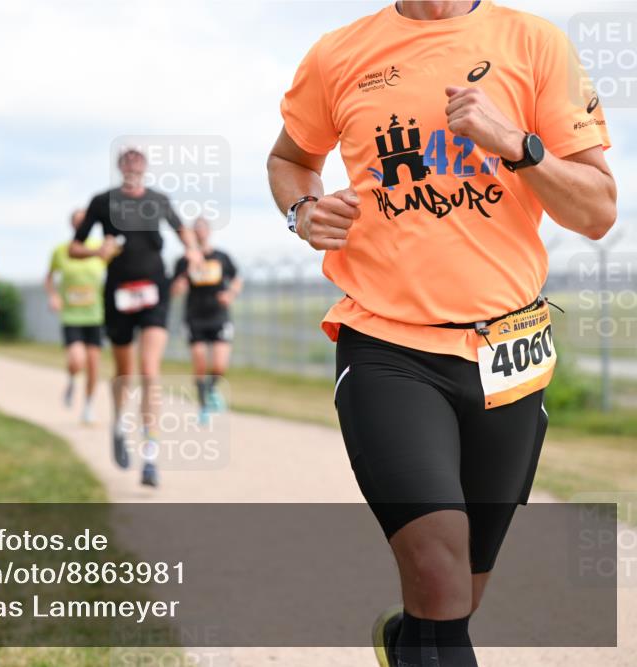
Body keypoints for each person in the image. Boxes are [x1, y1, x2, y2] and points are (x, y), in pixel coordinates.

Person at [268, 1, 615, 665]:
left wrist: (516, 143)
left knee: (457, 593)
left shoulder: (536, 44)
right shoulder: (338, 54)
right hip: (387, 349)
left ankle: (407, 641)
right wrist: (303, 210)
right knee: (438, 572)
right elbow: (289, 159)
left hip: (506, 356)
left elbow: (597, 211)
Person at [70, 147, 202, 488]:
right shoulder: (102, 202)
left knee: (149, 369)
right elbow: (74, 246)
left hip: (154, 291)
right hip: (118, 292)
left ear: (144, 168)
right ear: (119, 167)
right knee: (125, 373)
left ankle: (150, 455)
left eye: (138, 162)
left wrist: (192, 249)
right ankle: (117, 426)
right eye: (127, 162)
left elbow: (181, 229)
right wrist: (97, 251)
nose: (132, 167)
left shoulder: (157, 199)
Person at [171, 217, 241, 422]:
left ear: (209, 231)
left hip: (218, 316)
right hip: (195, 318)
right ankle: (203, 408)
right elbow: (174, 289)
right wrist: (181, 282)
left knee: (219, 366)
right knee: (200, 364)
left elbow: (237, 278)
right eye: (196, 229)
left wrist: (230, 294)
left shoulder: (221, 257)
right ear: (191, 234)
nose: (200, 232)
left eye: (203, 228)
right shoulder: (184, 261)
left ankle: (210, 391)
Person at [46, 209, 107, 424]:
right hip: (72, 316)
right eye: (78, 222)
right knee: (77, 360)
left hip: (95, 315)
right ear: (72, 225)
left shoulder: (99, 250)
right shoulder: (61, 251)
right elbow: (49, 277)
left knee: (93, 365)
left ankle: (88, 406)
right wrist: (53, 296)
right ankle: (72, 379)